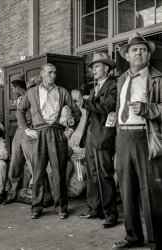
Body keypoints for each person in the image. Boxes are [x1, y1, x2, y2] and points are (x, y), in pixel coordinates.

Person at [113, 32, 162, 250]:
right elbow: (117, 109)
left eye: (143, 49)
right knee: (126, 188)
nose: (139, 53)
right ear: (127, 56)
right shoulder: (122, 79)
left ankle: (155, 240)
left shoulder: (157, 78)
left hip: (145, 136)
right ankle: (133, 235)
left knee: (151, 190)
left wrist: (147, 108)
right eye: (134, 50)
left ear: (148, 55)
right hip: (123, 136)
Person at [17, 63, 81, 219]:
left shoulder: (62, 92)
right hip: (39, 134)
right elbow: (20, 111)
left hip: (58, 133)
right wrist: (27, 129)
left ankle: (61, 207)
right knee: (38, 172)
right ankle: (36, 208)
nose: (53, 75)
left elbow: (77, 113)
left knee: (58, 172)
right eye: (50, 72)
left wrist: (69, 132)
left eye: (55, 72)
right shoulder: (32, 92)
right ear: (42, 74)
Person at [71, 52, 118, 229]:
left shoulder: (112, 86)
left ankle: (110, 213)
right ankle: (94, 209)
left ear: (106, 68)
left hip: (104, 136)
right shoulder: (95, 88)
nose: (93, 70)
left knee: (104, 175)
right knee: (92, 174)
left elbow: (106, 107)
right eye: (93, 67)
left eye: (97, 66)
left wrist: (83, 101)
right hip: (91, 136)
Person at [3, 74, 35, 204]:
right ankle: (12, 193)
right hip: (19, 130)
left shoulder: (32, 95)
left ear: (17, 87)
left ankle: (40, 195)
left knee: (33, 163)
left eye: (13, 88)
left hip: (30, 130)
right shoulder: (20, 99)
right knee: (15, 162)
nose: (12, 91)